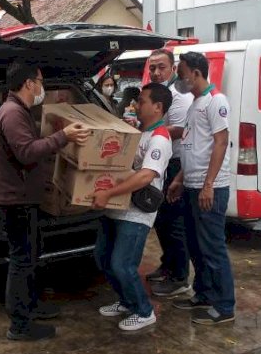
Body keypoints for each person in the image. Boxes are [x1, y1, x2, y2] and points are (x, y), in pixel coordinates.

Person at [0, 60, 90, 341]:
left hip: (22, 200)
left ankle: (30, 306)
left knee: (31, 257)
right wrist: (63, 135)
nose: (42, 87)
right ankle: (20, 325)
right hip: (14, 204)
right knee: (22, 261)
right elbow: (26, 152)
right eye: (40, 81)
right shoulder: (12, 113)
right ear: (28, 84)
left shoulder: (18, 111)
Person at [91, 83, 173, 332]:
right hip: (117, 206)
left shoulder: (160, 139)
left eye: (143, 101)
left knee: (122, 264)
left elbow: (145, 176)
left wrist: (109, 192)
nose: (137, 104)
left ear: (157, 107)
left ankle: (144, 311)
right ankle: (126, 301)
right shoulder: (139, 132)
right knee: (103, 257)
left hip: (137, 212)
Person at [167, 51, 235, 325]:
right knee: (195, 244)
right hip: (193, 185)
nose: (178, 77)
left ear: (196, 72)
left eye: (181, 71)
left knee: (212, 247)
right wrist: (180, 178)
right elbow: (193, 147)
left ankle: (224, 306)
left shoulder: (216, 102)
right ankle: (203, 294)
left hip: (211, 189)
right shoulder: (195, 103)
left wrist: (208, 185)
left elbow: (220, 143)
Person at [143, 49, 194, 297]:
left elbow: (180, 129)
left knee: (174, 222)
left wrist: (151, 129)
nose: (156, 72)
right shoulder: (158, 92)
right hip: (162, 162)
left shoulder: (179, 95)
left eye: (161, 67)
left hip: (175, 163)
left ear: (172, 68)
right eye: (152, 67)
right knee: (162, 220)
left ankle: (180, 277)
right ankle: (168, 264)